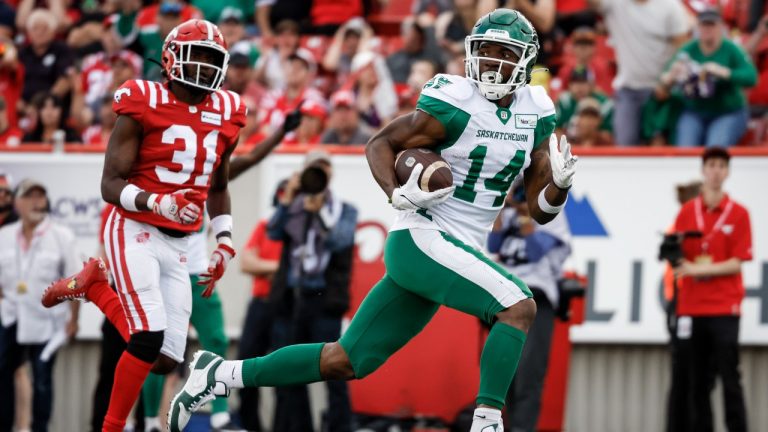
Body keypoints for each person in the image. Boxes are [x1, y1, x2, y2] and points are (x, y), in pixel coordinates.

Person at [169, 9, 578, 432]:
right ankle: (488, 421)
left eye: (503, 52)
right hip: (423, 237)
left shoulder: (537, 111)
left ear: (526, 61)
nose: (491, 61)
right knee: (518, 305)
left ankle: (218, 374)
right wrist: (395, 193)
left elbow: (541, 211)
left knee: (345, 359)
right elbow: (381, 142)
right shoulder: (455, 101)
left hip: (458, 248)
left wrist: (559, 185)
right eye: (485, 51)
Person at [40, 19, 245, 432]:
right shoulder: (142, 98)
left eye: (212, 59)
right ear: (170, 59)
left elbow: (219, 186)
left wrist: (223, 241)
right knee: (147, 337)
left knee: (166, 359)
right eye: (197, 56)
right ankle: (112, 428)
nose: (205, 67)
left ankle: (96, 287)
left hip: (183, 243)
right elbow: (110, 184)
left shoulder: (228, 110)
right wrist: (160, 202)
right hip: (135, 227)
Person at [267, 151, 357, 432]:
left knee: (335, 371)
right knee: (292, 372)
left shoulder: (344, 208)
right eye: (312, 169)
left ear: (330, 174)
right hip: (292, 300)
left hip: (325, 300)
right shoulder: (294, 204)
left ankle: (340, 427)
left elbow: (340, 241)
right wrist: (288, 199)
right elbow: (273, 232)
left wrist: (320, 212)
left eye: (323, 169)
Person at [668, 147, 751, 432]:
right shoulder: (687, 212)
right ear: (703, 170)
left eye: (721, 166)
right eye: (711, 165)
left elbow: (738, 262)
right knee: (697, 380)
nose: (715, 171)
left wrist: (697, 269)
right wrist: (673, 254)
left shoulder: (739, 213)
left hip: (724, 307)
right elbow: (675, 253)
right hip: (691, 306)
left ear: (727, 172)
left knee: (730, 377)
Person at [487, 185, 571, 432]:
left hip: (537, 297)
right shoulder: (509, 211)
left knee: (528, 375)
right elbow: (493, 245)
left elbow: (535, 252)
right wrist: (501, 210)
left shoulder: (552, 213)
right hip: (505, 298)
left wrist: (526, 216)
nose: (521, 194)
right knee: (504, 374)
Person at [0, 179, 80, 432]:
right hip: (10, 317)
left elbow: (76, 281)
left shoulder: (61, 236)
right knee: (2, 374)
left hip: (48, 321)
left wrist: (73, 320)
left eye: (41, 196)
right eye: (30, 196)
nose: (37, 202)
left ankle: (40, 429)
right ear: (17, 203)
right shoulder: (3, 236)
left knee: (42, 378)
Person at [587, 0, 689, 146]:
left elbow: (682, 49)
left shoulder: (670, 6)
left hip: (662, 92)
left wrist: (668, 81)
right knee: (625, 147)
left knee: (659, 147)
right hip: (629, 89)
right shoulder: (616, 4)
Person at [659, 8, 757, 147]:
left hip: (727, 111)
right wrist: (672, 75)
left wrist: (725, 73)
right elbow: (664, 78)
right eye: (704, 25)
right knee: (685, 150)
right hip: (694, 111)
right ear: (698, 27)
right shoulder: (689, 50)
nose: (707, 29)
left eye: (712, 25)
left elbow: (751, 77)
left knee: (715, 148)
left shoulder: (731, 49)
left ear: (721, 27)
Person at [236, 184, 285, 432]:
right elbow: (246, 262)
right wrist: (278, 267)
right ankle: (249, 426)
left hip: (285, 308)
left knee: (284, 374)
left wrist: (264, 266)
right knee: (246, 367)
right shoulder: (266, 225)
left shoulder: (298, 228)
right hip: (261, 305)